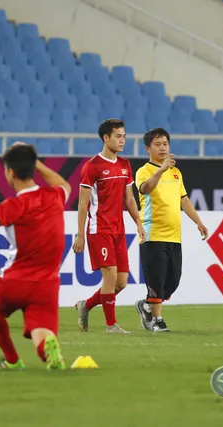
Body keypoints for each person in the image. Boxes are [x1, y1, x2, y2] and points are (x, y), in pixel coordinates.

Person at [0, 142, 70, 370]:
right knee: (40, 332)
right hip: (48, 285)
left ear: (10, 172)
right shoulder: (54, 196)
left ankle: (12, 360)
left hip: (18, 280)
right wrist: (36, 163)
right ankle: (49, 350)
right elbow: (64, 184)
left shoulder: (16, 205)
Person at [73, 119, 145, 333]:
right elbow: (82, 203)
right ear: (106, 138)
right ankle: (111, 325)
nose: (122, 140)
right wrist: (80, 235)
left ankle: (85, 305)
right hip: (99, 228)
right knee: (110, 275)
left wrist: (139, 223)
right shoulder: (92, 166)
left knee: (121, 282)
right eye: (118, 136)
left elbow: (130, 200)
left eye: (124, 136)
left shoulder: (125, 165)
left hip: (118, 230)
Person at [134, 128, 208, 332]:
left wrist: (198, 222)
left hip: (174, 235)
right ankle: (156, 320)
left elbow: (183, 199)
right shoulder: (143, 171)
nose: (162, 148)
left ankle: (147, 304)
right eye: (157, 144)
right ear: (148, 148)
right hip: (152, 233)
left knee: (173, 280)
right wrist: (160, 169)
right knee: (156, 279)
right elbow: (146, 189)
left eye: (165, 144)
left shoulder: (176, 173)